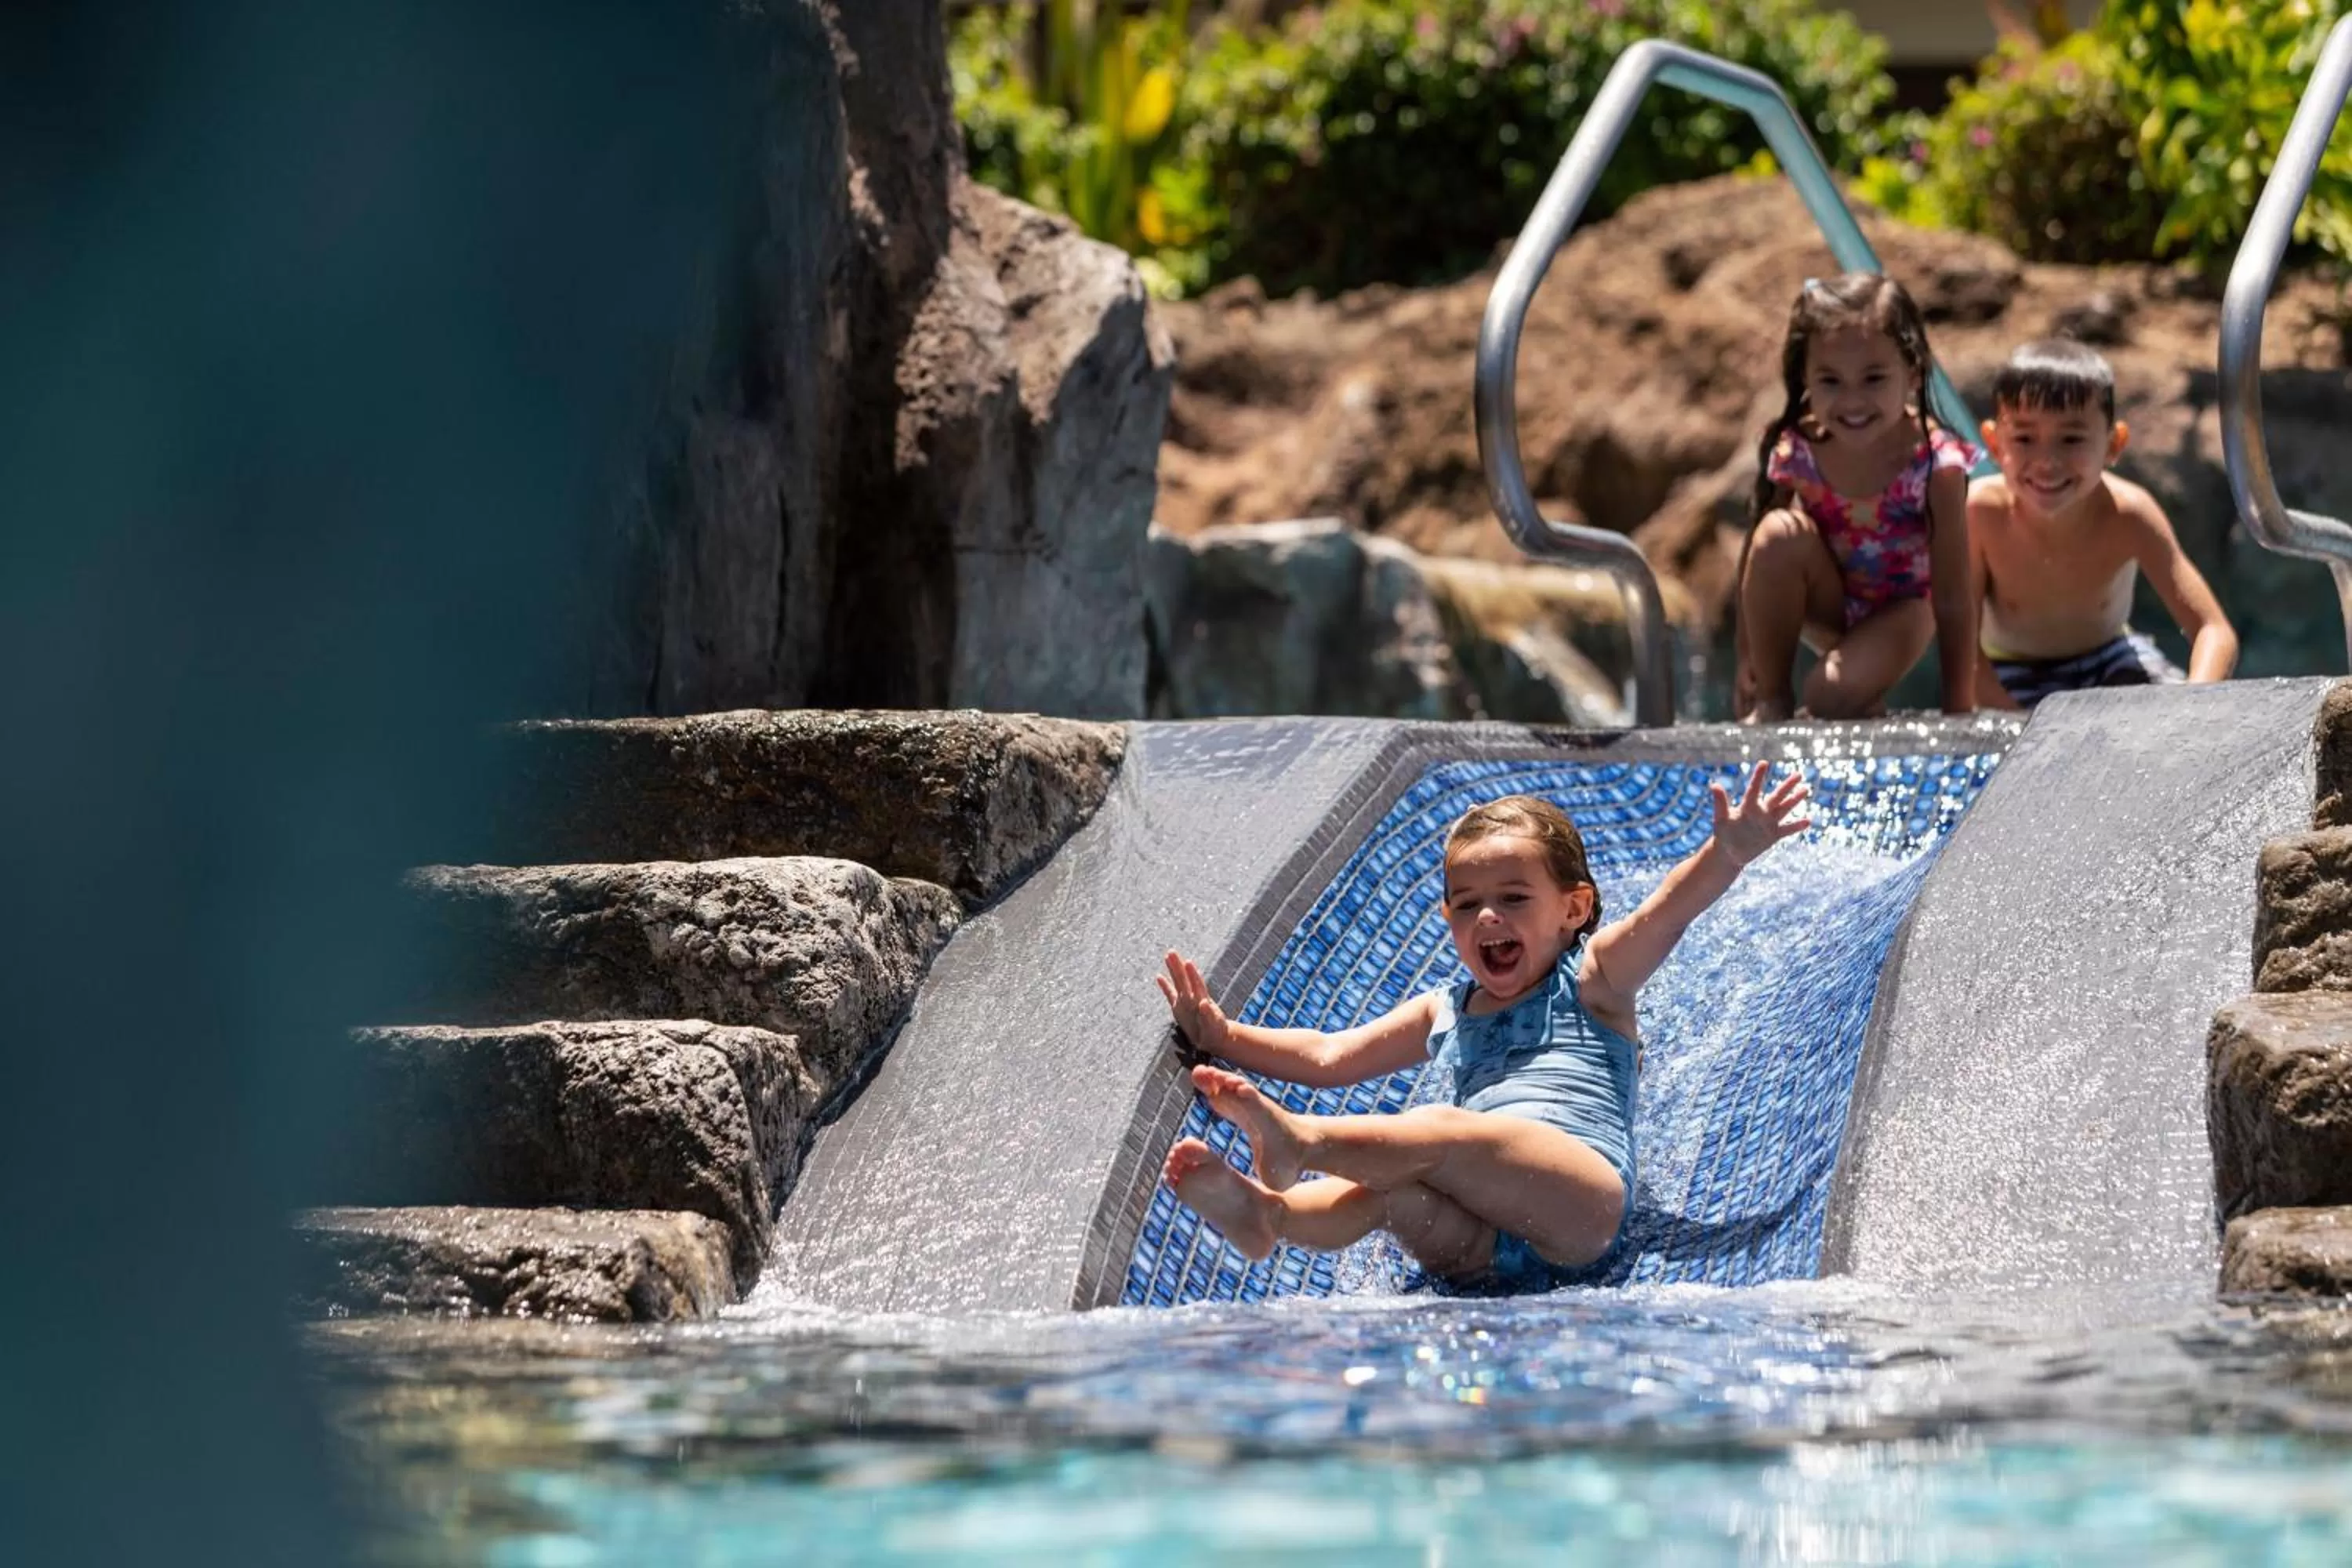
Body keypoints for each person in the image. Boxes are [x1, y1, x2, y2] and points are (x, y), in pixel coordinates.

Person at [1156, 767, 1809, 1293]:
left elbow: (1666, 916)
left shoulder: (1595, 980)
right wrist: (1222, 1034)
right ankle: (1269, 1216)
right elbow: (1331, 1056)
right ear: (1448, 919)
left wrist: (1725, 854)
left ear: (1573, 909)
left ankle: (1304, 1142)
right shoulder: (1447, 1009)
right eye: (1468, 905)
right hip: (1482, 1250)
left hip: (1579, 1208)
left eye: (1514, 898)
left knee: (1436, 1129)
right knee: (1392, 1193)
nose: (1489, 916)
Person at [1735, 273, 1980, 723]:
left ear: (1912, 373)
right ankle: (1773, 701)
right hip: (1828, 598)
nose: (1853, 401)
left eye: (1873, 378)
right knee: (1776, 533)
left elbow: (1953, 595)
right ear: (1804, 377)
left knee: (1829, 698)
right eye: (1830, 381)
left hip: (1905, 610)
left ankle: (1855, 695)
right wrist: (1746, 659)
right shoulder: (1797, 447)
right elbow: (1757, 559)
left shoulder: (1935, 465)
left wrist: (1959, 708)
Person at [1967, 338, 2238, 709]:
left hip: (2112, 660)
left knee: (2164, 717)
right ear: (1995, 445)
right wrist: (2016, 726)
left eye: (2072, 439)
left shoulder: (2129, 513)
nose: (2047, 461)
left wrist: (2194, 704)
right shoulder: (1982, 513)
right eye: (2025, 438)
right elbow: (1962, 650)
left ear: (2114, 444)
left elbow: (2213, 629)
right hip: (2012, 673)